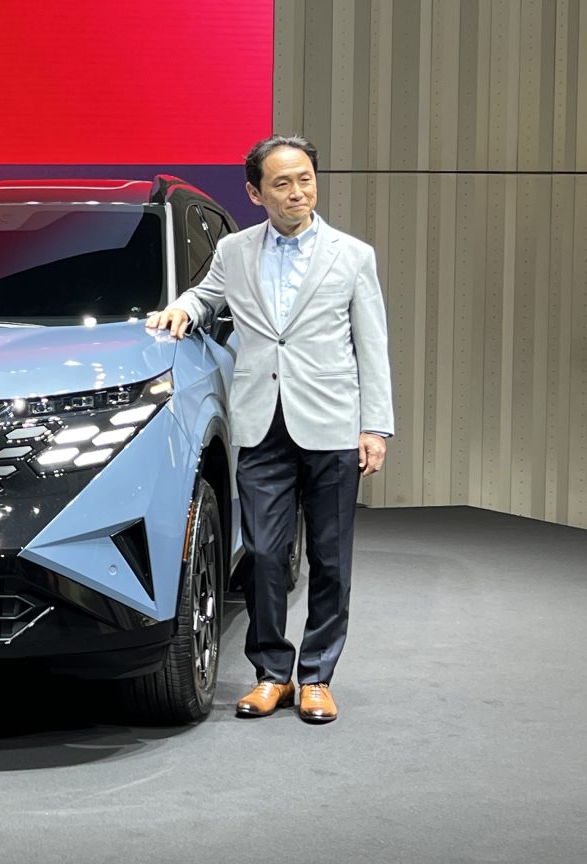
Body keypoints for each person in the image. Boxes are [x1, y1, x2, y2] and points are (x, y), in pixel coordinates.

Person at [148, 134, 393, 723]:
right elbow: (207, 296)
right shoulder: (233, 251)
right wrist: (183, 307)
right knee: (260, 554)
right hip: (260, 422)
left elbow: (372, 344)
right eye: (282, 183)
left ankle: (317, 676)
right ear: (256, 193)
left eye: (305, 179)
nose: (297, 192)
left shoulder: (352, 255)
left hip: (333, 423)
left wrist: (376, 427)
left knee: (330, 559)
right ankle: (272, 673)